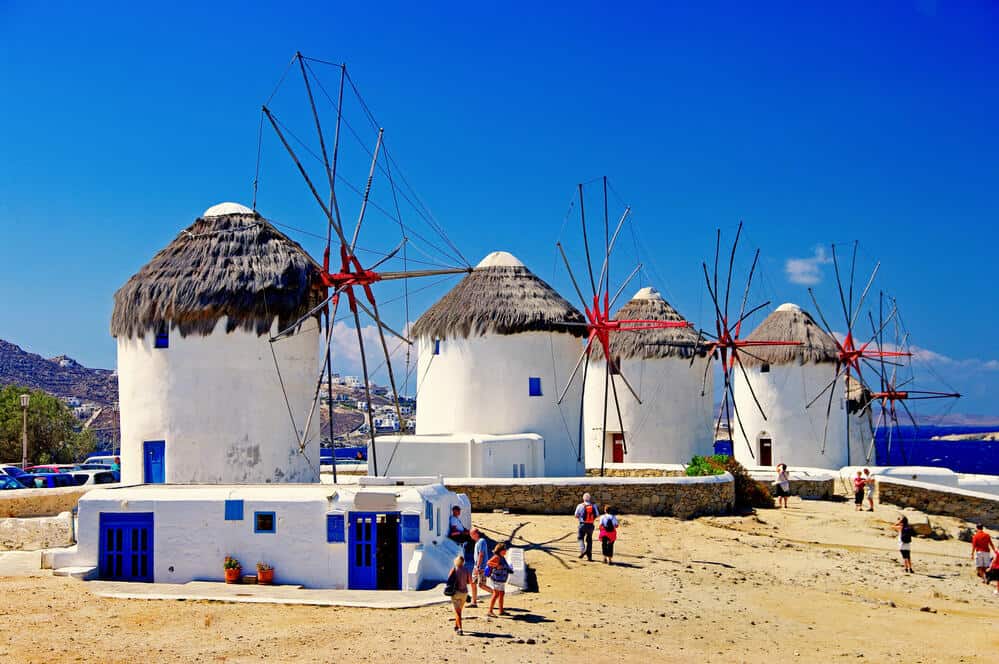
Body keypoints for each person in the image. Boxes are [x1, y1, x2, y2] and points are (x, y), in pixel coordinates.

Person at [445, 555, 471, 635]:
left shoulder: (454, 569)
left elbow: (449, 580)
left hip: (456, 593)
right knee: (459, 611)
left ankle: (460, 629)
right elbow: (469, 581)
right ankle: (456, 626)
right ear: (463, 562)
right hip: (464, 593)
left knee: (457, 612)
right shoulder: (466, 570)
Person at [486, 542, 513, 618]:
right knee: (496, 594)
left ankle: (501, 610)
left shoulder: (502, 557)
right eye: (504, 550)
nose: (505, 551)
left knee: (501, 593)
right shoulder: (497, 557)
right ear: (499, 550)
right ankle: (490, 611)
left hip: (500, 579)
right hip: (496, 579)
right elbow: (489, 562)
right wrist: (497, 565)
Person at [469, 528, 492, 607]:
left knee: (481, 585)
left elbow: (481, 554)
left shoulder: (481, 541)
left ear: (475, 534)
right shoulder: (477, 542)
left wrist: (478, 567)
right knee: (473, 583)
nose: (470, 536)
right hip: (476, 566)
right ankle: (474, 602)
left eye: (471, 535)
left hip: (481, 567)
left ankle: (495, 594)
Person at [574, 493, 600, 561]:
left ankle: (582, 550)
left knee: (580, 538)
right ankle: (589, 556)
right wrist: (592, 518)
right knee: (589, 540)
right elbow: (597, 515)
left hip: (582, 524)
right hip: (591, 525)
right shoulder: (593, 506)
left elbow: (576, 515)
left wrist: (581, 517)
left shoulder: (580, 505)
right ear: (589, 498)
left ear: (583, 498)